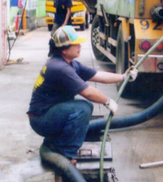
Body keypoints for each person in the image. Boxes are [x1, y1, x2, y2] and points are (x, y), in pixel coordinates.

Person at [27, 25, 137, 162]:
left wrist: (123, 77)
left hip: (48, 114)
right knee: (83, 108)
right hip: (41, 120)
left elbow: (98, 75)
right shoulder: (60, 68)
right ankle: (64, 151)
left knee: (81, 107)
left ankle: (59, 142)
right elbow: (88, 93)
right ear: (64, 49)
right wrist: (107, 101)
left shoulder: (70, 64)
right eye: (76, 44)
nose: (80, 46)